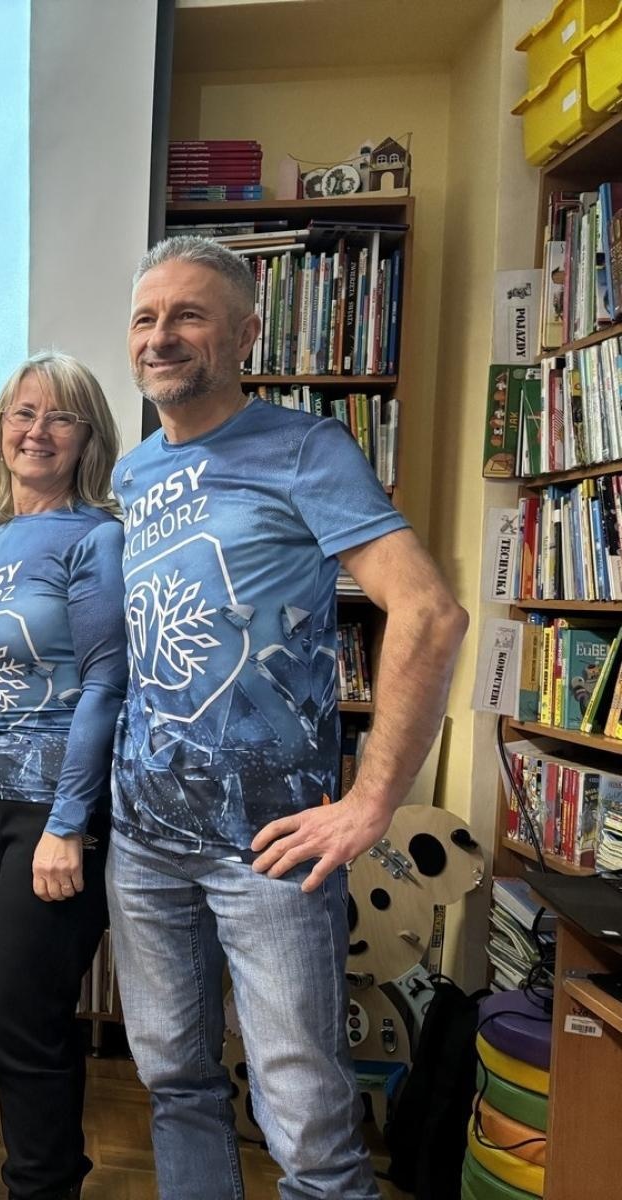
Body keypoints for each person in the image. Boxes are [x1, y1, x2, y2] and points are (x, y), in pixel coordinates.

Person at [109, 236, 468, 1200]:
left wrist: (371, 804)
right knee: (176, 1083)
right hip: (144, 842)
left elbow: (429, 612)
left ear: (243, 335)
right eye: (145, 318)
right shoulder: (134, 473)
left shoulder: (306, 448)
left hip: (269, 847)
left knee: (308, 1130)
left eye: (188, 315)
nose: (160, 336)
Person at [0, 353, 125, 1200]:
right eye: (22, 413)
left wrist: (68, 822)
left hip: (50, 810)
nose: (37, 431)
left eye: (60, 416)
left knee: (25, 1019)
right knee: (17, 1016)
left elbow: (105, 682)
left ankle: (43, 1188)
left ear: (88, 437)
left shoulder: (98, 536)